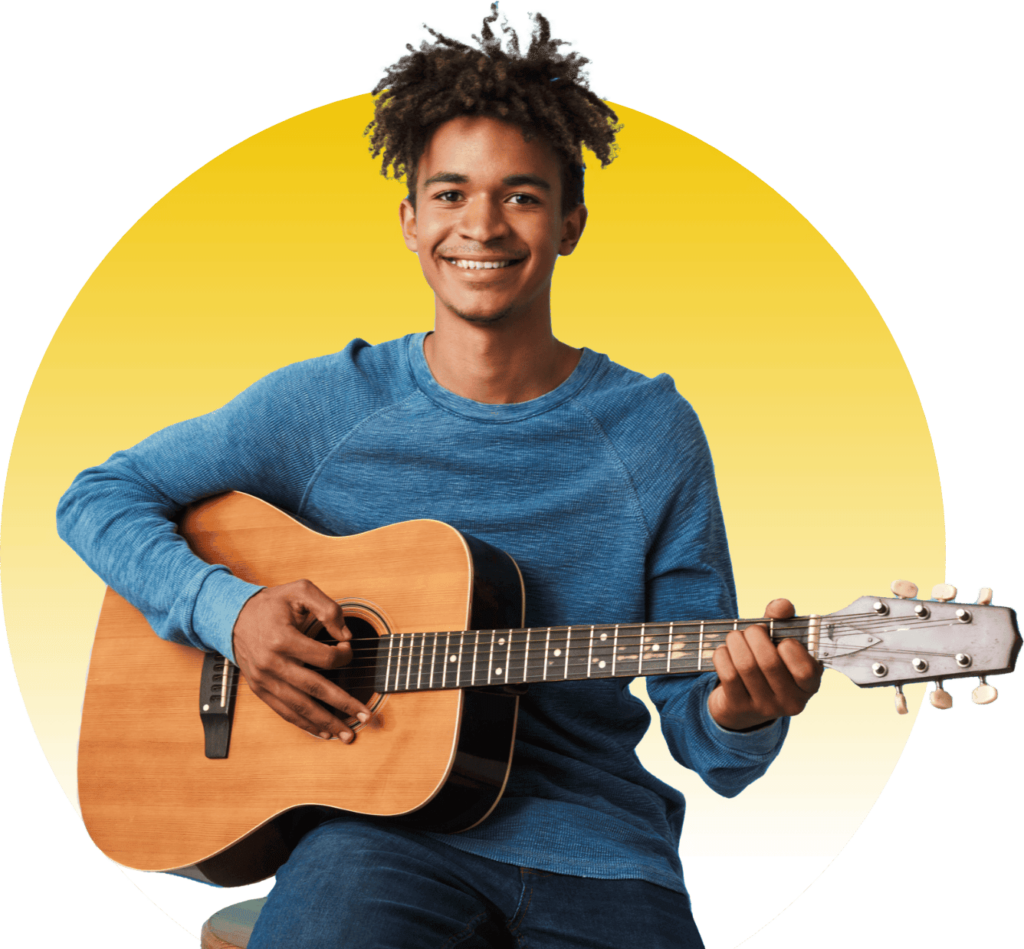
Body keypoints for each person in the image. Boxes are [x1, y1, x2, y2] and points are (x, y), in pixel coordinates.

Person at [57, 5, 823, 947]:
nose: (484, 226)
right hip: (374, 834)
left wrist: (741, 712)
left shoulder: (651, 431)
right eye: (452, 194)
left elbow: (707, 740)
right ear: (412, 219)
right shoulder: (328, 405)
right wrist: (230, 612)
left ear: (572, 222)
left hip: (601, 846)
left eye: (523, 196)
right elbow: (96, 497)